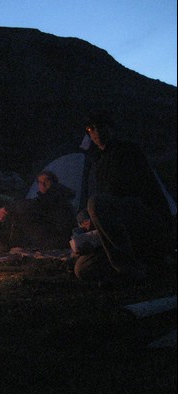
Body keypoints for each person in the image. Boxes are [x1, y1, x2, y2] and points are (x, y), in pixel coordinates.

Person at [73, 111, 173, 284]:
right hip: (119, 231)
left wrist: (96, 214)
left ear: (111, 129)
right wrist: (86, 221)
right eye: (91, 129)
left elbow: (129, 194)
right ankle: (147, 265)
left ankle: (129, 271)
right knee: (82, 268)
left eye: (100, 127)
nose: (96, 133)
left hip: (143, 219)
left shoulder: (128, 151)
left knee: (96, 203)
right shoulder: (99, 163)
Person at [0, 170, 76, 250]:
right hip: (54, 237)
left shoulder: (56, 196)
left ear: (54, 182)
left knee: (23, 212)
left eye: (46, 181)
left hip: (58, 239)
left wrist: (7, 208)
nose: (42, 184)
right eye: (40, 182)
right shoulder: (52, 195)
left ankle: (13, 246)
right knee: (17, 213)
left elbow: (33, 205)